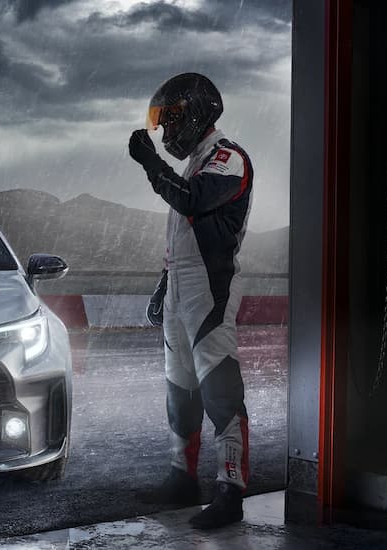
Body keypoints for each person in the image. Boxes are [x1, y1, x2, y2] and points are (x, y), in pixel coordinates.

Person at [128, 72, 252, 530]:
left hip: (211, 288)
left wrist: (150, 163)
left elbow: (191, 201)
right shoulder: (196, 162)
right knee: (179, 390)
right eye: (161, 121)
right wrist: (163, 286)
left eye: (170, 119)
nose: (163, 131)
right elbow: (180, 237)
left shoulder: (228, 158)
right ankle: (182, 479)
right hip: (183, 286)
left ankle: (230, 490)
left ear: (196, 111)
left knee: (219, 390)